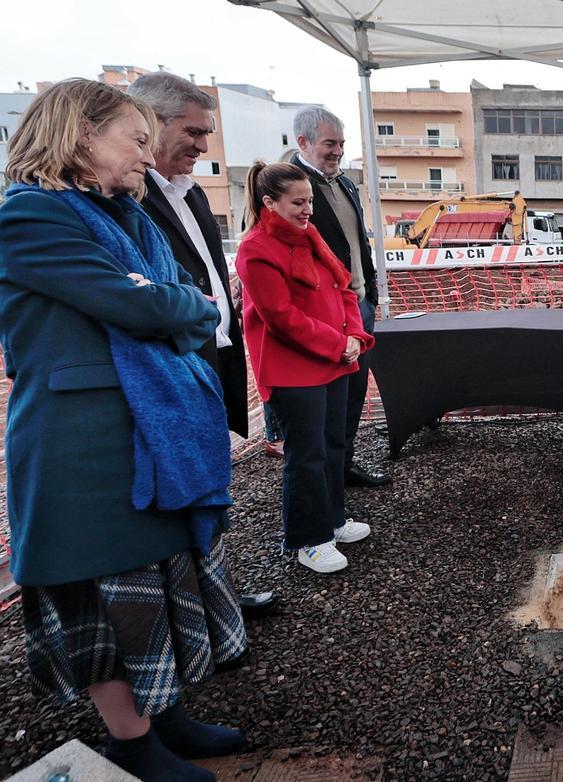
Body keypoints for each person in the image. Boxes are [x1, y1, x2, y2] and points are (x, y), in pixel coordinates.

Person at [0, 78, 247, 782]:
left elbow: (184, 303)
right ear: (81, 132)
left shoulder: (126, 218)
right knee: (104, 592)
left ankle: (164, 719)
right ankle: (130, 742)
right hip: (82, 447)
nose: (149, 154)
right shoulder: (29, 218)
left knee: (159, 578)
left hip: (144, 433)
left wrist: (169, 302)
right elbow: (143, 306)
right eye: (137, 139)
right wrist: (170, 303)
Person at [129, 71, 279, 623]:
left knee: (211, 484)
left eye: (207, 132)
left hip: (211, 358)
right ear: (150, 121)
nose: (202, 145)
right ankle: (186, 609)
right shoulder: (130, 200)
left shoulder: (190, 195)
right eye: (192, 131)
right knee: (179, 488)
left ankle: (215, 598)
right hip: (169, 366)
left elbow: (210, 278)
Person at [236, 161, 375, 574]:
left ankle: (332, 518)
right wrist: (341, 342)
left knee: (333, 445)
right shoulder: (255, 250)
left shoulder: (308, 235)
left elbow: (344, 285)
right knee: (306, 455)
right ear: (269, 203)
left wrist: (353, 336)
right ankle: (307, 539)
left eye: (310, 200)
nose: (308, 209)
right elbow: (281, 317)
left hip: (332, 359)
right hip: (293, 370)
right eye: (298, 202)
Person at [290, 106, 389, 488]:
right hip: (325, 313)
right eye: (330, 143)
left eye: (341, 144)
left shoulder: (345, 185)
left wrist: (372, 293)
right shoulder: (293, 190)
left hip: (358, 305)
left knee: (354, 391)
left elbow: (357, 243)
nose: (337, 151)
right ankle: (325, 480)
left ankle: (342, 466)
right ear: (304, 142)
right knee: (329, 398)